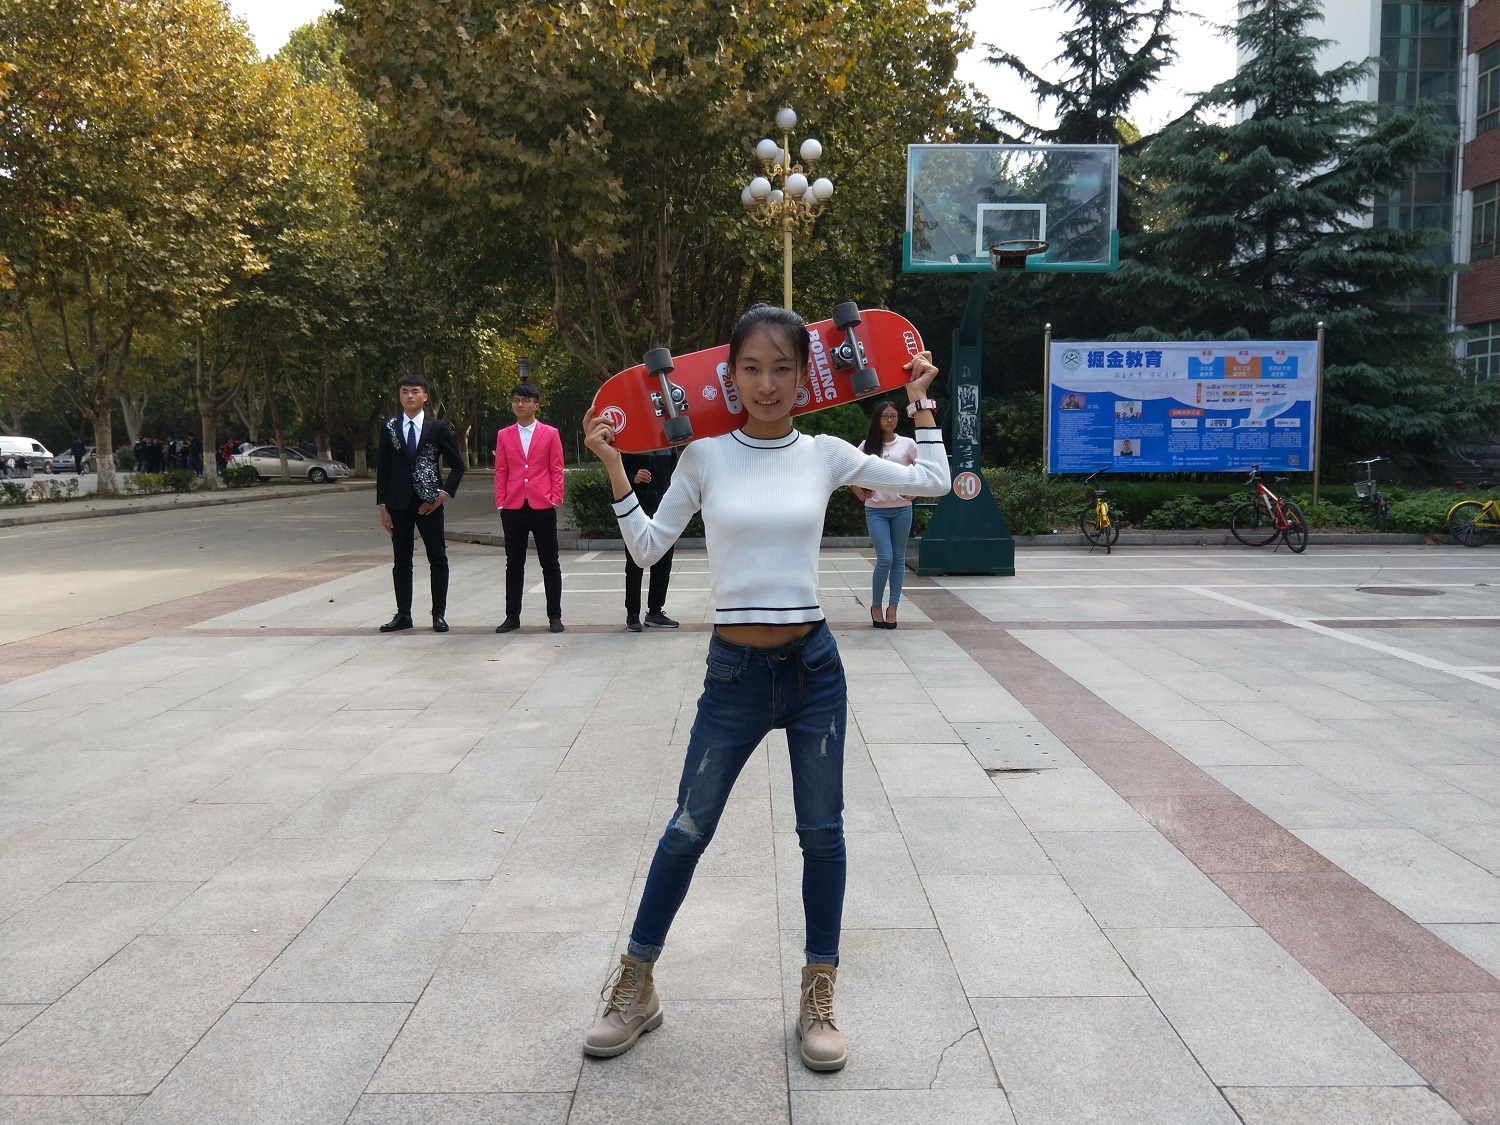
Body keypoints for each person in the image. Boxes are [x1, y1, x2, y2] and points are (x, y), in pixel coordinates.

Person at [578, 304, 949, 1072]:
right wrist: (614, 464)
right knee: (687, 828)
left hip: (813, 670)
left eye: (783, 367)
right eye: (752, 367)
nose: (768, 383)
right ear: (730, 374)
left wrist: (921, 402)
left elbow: (935, 481)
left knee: (823, 833)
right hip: (734, 675)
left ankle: (819, 994)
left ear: (805, 373)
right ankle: (636, 985)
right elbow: (646, 548)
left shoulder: (826, 453)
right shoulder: (704, 456)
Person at [376, 375, 465, 633]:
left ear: (425, 396)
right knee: (401, 560)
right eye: (405, 391)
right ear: (399, 396)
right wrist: (382, 506)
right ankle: (403, 614)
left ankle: (438, 614)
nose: (410, 396)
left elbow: (458, 466)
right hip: (398, 504)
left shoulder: (437, 428)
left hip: (429, 504)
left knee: (437, 558)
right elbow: (383, 469)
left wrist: (442, 495)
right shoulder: (390, 427)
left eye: (415, 391)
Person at [493, 382, 565, 634]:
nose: (519, 405)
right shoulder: (504, 435)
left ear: (536, 405)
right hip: (513, 506)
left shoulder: (550, 433)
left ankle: (554, 616)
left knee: (550, 563)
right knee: (514, 564)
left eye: (525, 400)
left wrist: (555, 500)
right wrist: (501, 502)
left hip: (542, 505)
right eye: (515, 400)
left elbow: (556, 468)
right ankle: (512, 616)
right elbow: (501, 471)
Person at [848, 400, 917, 629]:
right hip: (876, 510)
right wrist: (860, 493)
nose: (890, 420)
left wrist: (916, 492)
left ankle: (893, 606)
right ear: (877, 419)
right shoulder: (867, 446)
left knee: (898, 558)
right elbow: (848, 471)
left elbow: (925, 471)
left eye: (894, 416)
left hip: (902, 509)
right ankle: (876, 605)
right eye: (885, 416)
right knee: (885, 557)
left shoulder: (907, 444)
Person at [620, 448, 680, 631]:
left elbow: (676, 476)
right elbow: (616, 475)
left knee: (663, 562)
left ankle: (655, 612)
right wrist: (634, 478)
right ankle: (632, 615)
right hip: (636, 510)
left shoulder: (668, 444)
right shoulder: (629, 443)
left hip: (663, 511)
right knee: (634, 564)